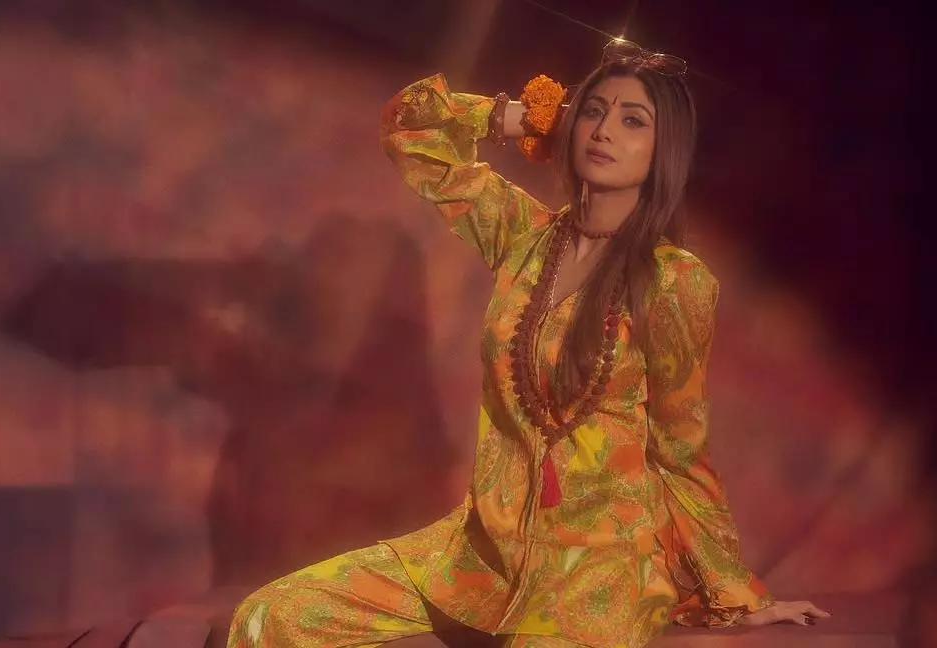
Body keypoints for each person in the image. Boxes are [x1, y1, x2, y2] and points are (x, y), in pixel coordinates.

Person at [227, 39, 829, 648]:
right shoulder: (521, 235)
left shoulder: (675, 281)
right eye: (592, 111)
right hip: (481, 554)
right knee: (267, 618)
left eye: (633, 121)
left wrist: (735, 595)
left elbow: (681, 449)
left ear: (663, 149)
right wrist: (519, 117)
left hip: (603, 566)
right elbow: (409, 129)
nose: (604, 131)